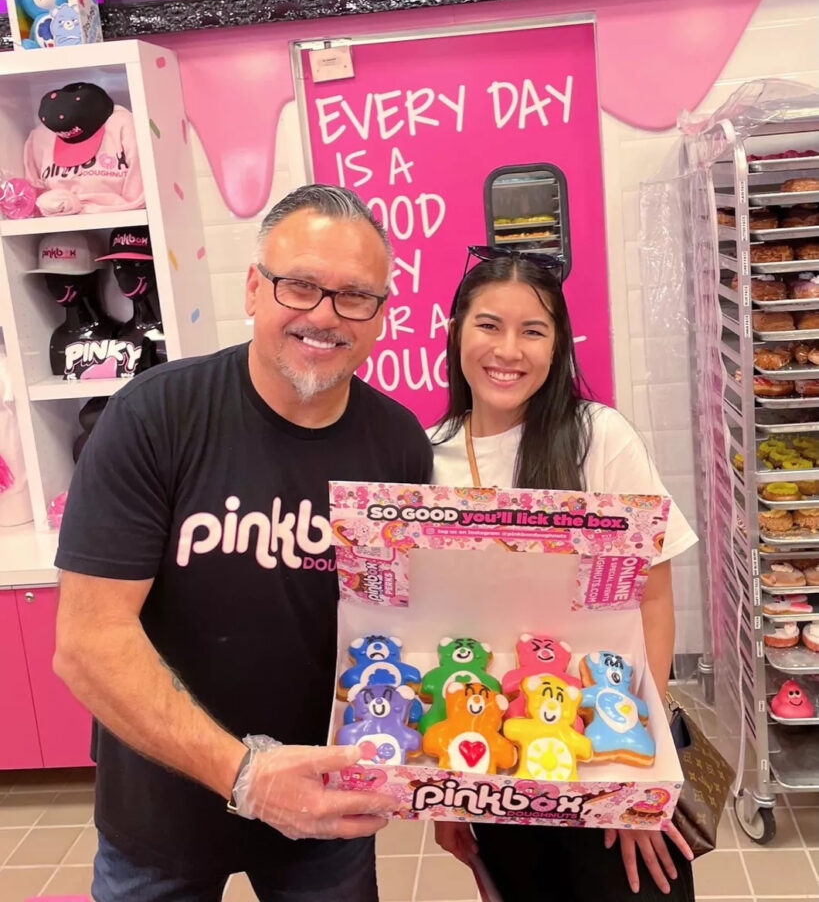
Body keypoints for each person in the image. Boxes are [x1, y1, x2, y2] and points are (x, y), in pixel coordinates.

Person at [53, 184, 433, 902]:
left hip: (324, 808)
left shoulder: (398, 444)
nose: (325, 316)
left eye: (355, 296)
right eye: (300, 285)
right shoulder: (154, 417)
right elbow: (86, 642)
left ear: (380, 316)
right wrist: (248, 777)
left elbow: (395, 631)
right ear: (254, 287)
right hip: (159, 814)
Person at [428, 245, 698, 901]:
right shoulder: (428, 457)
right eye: (488, 325)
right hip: (500, 763)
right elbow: (434, 633)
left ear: (557, 348)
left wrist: (632, 778)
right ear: (457, 330)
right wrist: (446, 793)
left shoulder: (597, 437)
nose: (507, 350)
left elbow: (653, 604)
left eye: (533, 330)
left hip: (605, 747)